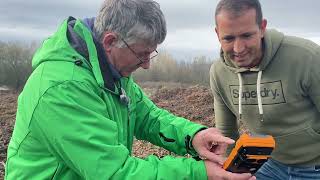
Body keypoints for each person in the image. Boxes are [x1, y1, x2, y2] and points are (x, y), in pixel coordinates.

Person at [5, 0, 256, 180]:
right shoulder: (61, 89)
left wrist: (192, 137)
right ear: (110, 41)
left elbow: (148, 117)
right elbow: (114, 172)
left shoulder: (110, 72)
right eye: (142, 53)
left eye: (151, 53)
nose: (147, 64)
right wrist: (199, 173)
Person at [210, 0, 320, 179]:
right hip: (266, 164)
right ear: (217, 34)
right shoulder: (219, 73)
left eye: (246, 35)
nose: (238, 48)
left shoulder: (307, 58)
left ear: (262, 28)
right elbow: (226, 133)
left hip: (315, 166)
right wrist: (229, 173)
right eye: (229, 38)